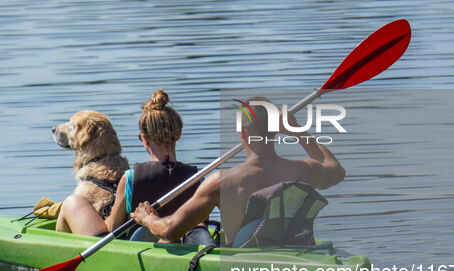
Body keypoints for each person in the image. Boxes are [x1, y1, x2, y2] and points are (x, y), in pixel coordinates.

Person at [130, 96, 346, 246]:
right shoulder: (303, 170)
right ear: (276, 130)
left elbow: (170, 230)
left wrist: (146, 218)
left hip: (246, 269)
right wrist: (297, 130)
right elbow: (335, 170)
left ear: (241, 132)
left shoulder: (221, 182)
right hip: (294, 256)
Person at [56, 89, 213, 244]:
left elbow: (111, 228)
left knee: (72, 202)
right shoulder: (198, 179)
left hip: (138, 248)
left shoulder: (130, 178)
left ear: (144, 139)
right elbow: (199, 222)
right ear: (178, 134)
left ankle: (57, 248)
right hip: (180, 245)